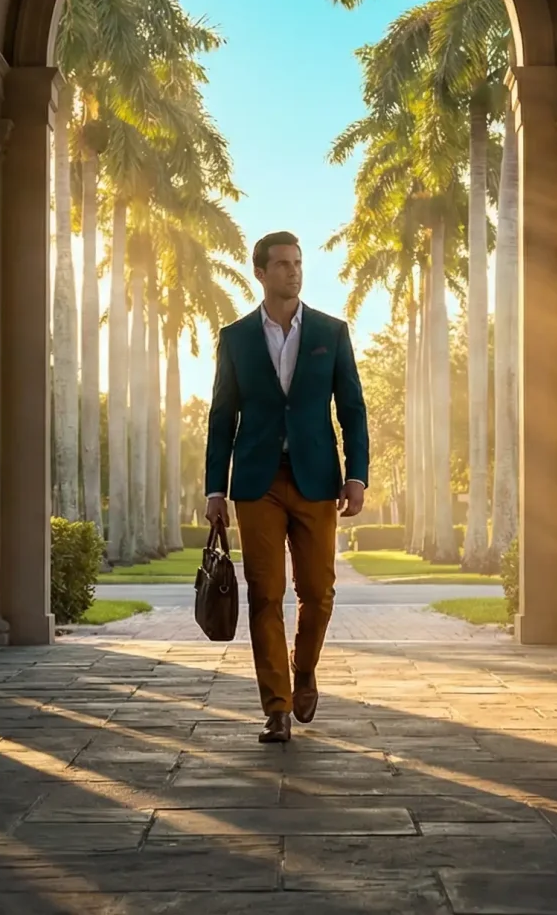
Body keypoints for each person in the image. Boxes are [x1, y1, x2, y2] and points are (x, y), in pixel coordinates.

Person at [205, 231, 369, 743]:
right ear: (260, 272)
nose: (292, 272)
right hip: (257, 482)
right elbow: (220, 417)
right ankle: (275, 706)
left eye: (297, 263)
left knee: (318, 593)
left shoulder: (331, 331)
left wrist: (356, 475)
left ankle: (304, 669)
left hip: (317, 479)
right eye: (281, 264)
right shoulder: (235, 338)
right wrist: (215, 489)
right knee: (266, 595)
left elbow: (353, 409)